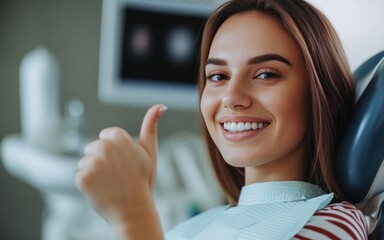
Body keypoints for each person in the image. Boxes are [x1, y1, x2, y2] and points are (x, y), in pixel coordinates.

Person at [75, 0, 368, 239]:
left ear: (322, 94)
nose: (230, 96)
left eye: (266, 74)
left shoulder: (336, 225)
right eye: (218, 76)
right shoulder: (210, 221)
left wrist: (133, 215)